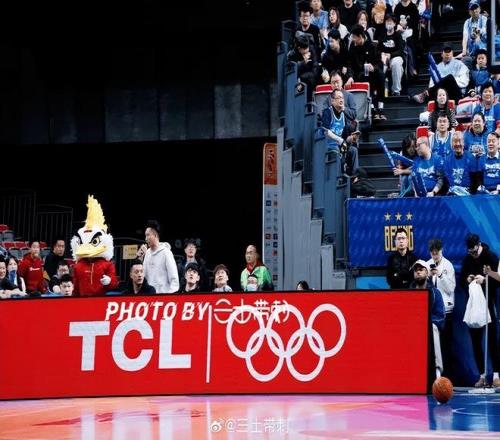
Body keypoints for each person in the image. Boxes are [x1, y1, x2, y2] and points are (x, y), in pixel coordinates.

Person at [460, 233, 500, 388]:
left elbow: (498, 279)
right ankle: (482, 375)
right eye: (470, 252)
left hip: (488, 302)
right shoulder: (467, 260)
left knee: (492, 340)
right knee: (475, 340)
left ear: (479, 245)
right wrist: (467, 280)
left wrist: (485, 279)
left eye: (475, 251)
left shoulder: (491, 257)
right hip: (474, 304)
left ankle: (496, 375)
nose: (473, 255)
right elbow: (461, 280)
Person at [410, 259, 446, 378]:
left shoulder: (436, 293)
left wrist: (425, 323)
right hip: (412, 326)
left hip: (429, 325)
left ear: (427, 273)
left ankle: (437, 371)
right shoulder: (407, 292)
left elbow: (440, 316)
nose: (418, 272)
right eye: (416, 270)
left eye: (421, 269)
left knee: (433, 328)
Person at [426, 239, 456, 378]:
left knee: (446, 345)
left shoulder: (448, 266)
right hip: (432, 312)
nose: (435, 256)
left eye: (436, 253)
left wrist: (440, 275)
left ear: (441, 251)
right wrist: (429, 277)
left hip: (446, 311)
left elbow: (450, 289)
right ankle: (435, 377)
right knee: (433, 347)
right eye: (432, 254)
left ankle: (447, 378)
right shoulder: (427, 265)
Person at [321, 88, 360, 175]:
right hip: (329, 146)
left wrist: (350, 139)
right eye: (338, 98)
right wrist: (340, 140)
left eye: (342, 98)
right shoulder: (327, 112)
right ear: (332, 101)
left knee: (353, 150)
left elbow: (344, 137)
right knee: (336, 150)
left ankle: (355, 177)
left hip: (341, 145)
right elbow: (325, 131)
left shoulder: (343, 114)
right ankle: (338, 178)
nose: (341, 100)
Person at [138, 220, 179, 294]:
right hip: (149, 296)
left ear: (155, 235)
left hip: (163, 296)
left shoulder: (166, 252)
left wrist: (169, 296)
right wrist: (140, 259)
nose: (146, 239)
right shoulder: (147, 253)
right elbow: (144, 277)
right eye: (145, 236)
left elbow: (174, 279)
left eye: (148, 235)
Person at [378, 13, 405, 97]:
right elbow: (378, 49)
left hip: (395, 57)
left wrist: (390, 55)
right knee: (380, 66)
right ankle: (381, 92)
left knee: (396, 63)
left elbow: (401, 51)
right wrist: (382, 54)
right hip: (384, 58)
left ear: (394, 23)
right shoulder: (382, 35)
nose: (388, 23)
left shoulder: (398, 35)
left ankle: (396, 91)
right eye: (387, 21)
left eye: (390, 21)